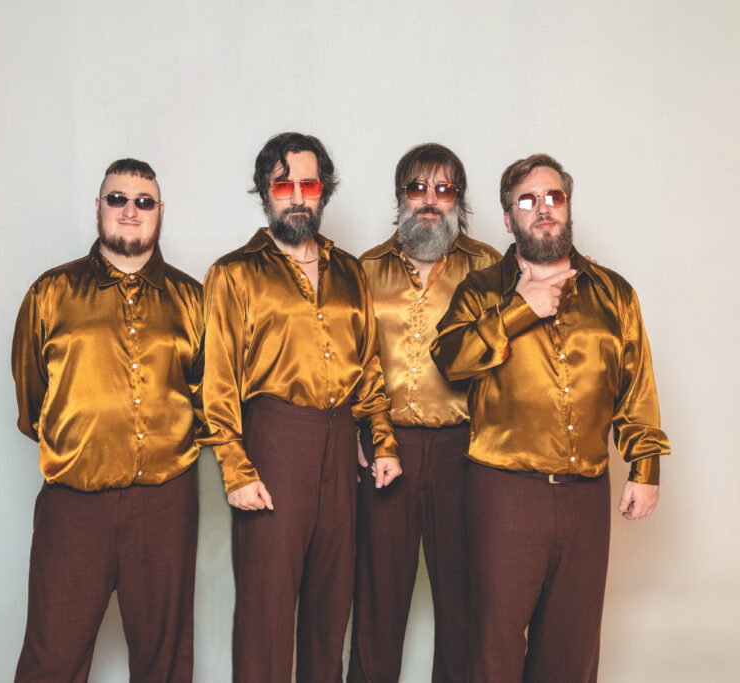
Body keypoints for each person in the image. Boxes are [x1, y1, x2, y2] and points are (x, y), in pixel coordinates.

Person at [430, 153, 670, 682]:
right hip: (504, 494)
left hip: (587, 494)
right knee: (493, 643)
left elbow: (635, 386)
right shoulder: (482, 290)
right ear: (508, 216)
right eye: (527, 200)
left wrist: (645, 468)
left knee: (572, 647)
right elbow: (449, 359)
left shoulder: (613, 292)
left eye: (553, 197)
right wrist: (520, 309)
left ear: (567, 207)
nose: (543, 208)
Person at [201, 132, 401, 682]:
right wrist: (237, 471)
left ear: (323, 192)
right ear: (265, 192)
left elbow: (368, 367)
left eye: (308, 185)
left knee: (330, 607)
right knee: (266, 613)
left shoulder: (350, 271)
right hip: (274, 443)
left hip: (340, 447)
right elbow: (217, 384)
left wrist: (382, 442)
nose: (296, 197)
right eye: (282, 185)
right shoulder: (233, 273)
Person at [11, 158, 203, 682]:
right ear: (98, 207)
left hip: (166, 506)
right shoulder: (50, 292)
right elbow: (32, 402)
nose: (130, 210)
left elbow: (208, 396)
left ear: (160, 211)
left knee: (164, 662)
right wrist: (85, 443)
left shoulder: (192, 299)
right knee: (52, 659)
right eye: (117, 199)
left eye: (143, 202)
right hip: (74, 505)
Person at [348, 143, 501, 683]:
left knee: (463, 601)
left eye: (443, 189)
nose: (429, 200)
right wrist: (363, 433)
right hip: (386, 449)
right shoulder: (364, 269)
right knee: (378, 597)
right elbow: (354, 361)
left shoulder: (489, 266)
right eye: (417, 188)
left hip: (465, 449)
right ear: (400, 197)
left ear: (459, 199)